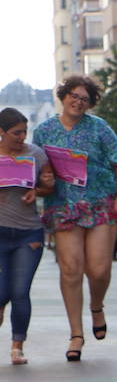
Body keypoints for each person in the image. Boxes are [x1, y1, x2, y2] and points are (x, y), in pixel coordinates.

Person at [33, 75, 117, 363]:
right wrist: (42, 181)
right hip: (63, 206)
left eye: (84, 99)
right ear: (63, 96)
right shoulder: (43, 131)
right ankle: (76, 334)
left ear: (90, 104)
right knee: (70, 268)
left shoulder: (100, 127)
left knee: (100, 268)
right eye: (73, 96)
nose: (78, 102)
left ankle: (97, 305)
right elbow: (37, 168)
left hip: (101, 203)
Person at [0, 108, 55, 365]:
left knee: (20, 290)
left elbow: (48, 184)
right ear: (1, 133)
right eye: (16, 133)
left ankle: (17, 347)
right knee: (2, 291)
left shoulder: (36, 154)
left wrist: (41, 187)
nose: (22, 137)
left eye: (24, 131)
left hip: (28, 232)